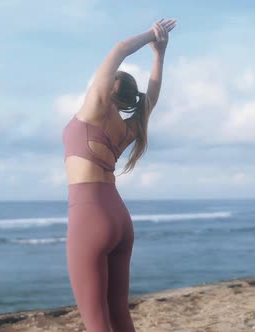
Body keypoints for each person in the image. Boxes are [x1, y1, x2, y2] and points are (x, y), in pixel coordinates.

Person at [62, 18, 176, 332]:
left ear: (111, 87)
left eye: (109, 76)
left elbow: (119, 49)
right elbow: (150, 97)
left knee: (97, 322)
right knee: (119, 315)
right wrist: (159, 55)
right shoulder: (128, 127)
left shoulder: (95, 108)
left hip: (89, 215)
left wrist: (153, 36)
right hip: (119, 218)